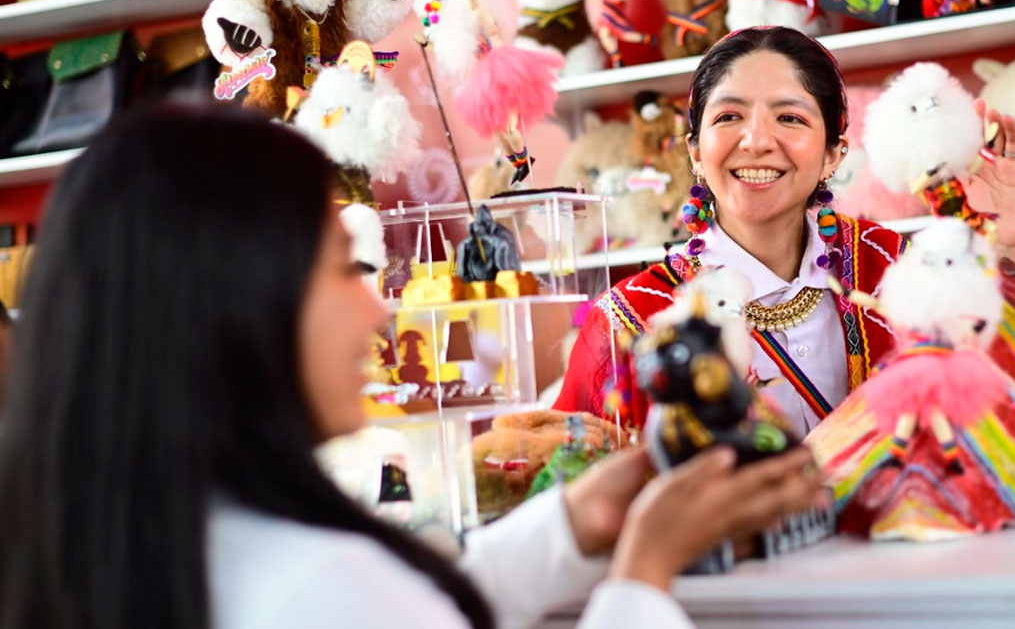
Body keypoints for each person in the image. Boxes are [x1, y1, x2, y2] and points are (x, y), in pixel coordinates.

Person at [0, 100, 825, 629]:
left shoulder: (119, 549)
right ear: (237, 302)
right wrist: (645, 569)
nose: (381, 308)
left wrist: (577, 524)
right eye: (340, 269)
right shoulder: (314, 584)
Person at [555, 26, 1015, 433]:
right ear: (695, 152)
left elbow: (1008, 418)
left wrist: (1001, 251)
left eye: (789, 117)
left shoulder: (896, 271)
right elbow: (575, 482)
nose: (757, 140)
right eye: (729, 116)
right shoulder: (629, 323)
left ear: (834, 154)